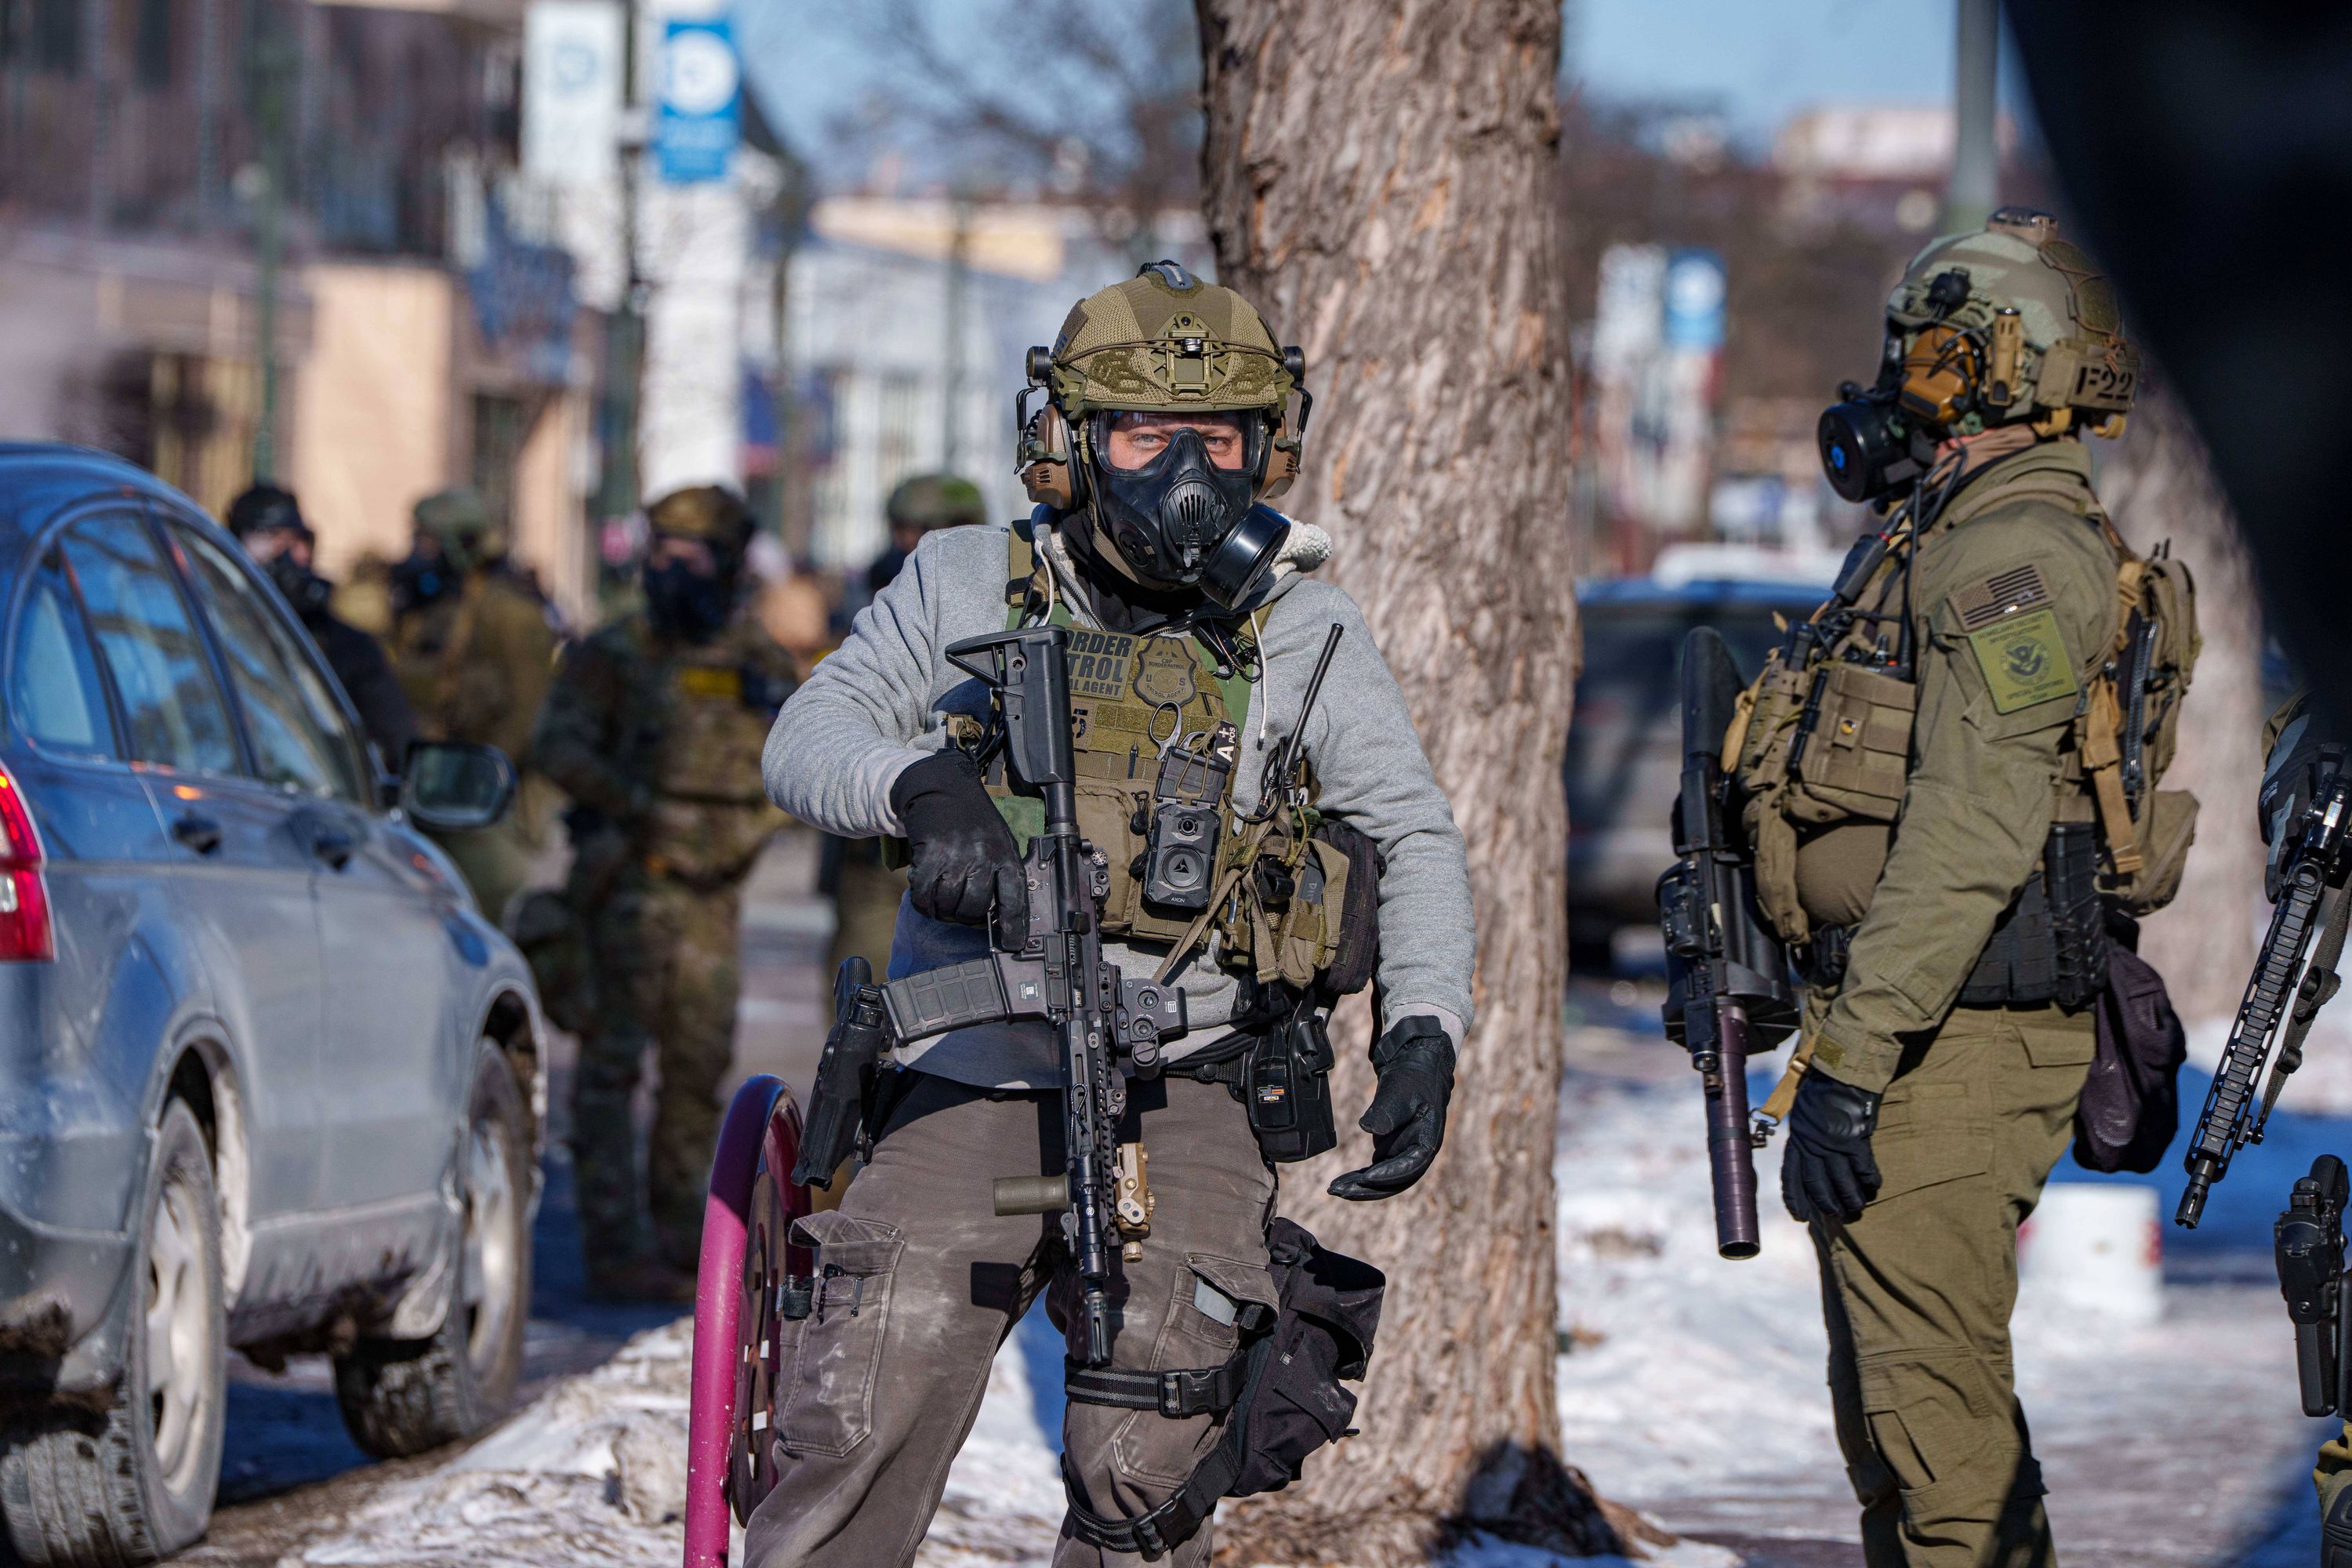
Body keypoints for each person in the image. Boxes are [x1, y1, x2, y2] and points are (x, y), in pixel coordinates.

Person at [751, 261, 1475, 1566]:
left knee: (1151, 1446)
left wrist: (1424, 1025)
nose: (1186, 473)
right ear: (1072, 444)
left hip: (1194, 1081)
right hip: (973, 1066)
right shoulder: (970, 578)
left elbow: (1414, 834)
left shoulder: (1305, 628)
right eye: (1147, 435)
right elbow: (808, 736)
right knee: (870, 1393)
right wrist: (914, 785)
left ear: (1270, 447)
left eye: (1222, 439)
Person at [1741, 209, 2195, 1567]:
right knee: (1891, 1426)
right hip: (1908, 1028)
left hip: (1951, 1043)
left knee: (1939, 1440)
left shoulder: (2013, 556)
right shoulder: (1935, 525)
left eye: (1929, 357)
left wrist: (1859, 1061)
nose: (1900, 385)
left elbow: (1974, 826)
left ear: (2005, 366)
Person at [529, 485, 797, 1301]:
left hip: (712, 899)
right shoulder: (614, 652)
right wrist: (642, 812)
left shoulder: (757, 661)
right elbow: (557, 745)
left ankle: (686, 1239)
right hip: (629, 889)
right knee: (611, 1071)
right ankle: (614, 1246)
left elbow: (796, 763)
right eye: (663, 552)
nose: (675, 570)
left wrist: (745, 831)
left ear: (728, 562)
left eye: (695, 554)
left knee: (697, 1068)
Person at [820, 472, 990, 986]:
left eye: (924, 529)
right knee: (862, 986)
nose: (908, 545)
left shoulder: (994, 598)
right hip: (875, 841)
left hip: (967, 837)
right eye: (901, 530)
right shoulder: (875, 594)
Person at [390, 488, 561, 925]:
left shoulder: (509, 615)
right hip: (429, 791)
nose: (418, 554)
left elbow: (528, 715)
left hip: (485, 807)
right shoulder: (429, 611)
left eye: (428, 543)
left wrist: (476, 778)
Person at [223, 484, 417, 771]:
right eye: (275, 540)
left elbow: (394, 734)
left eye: (301, 542)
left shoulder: (344, 644)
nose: (295, 556)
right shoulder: (210, 626)